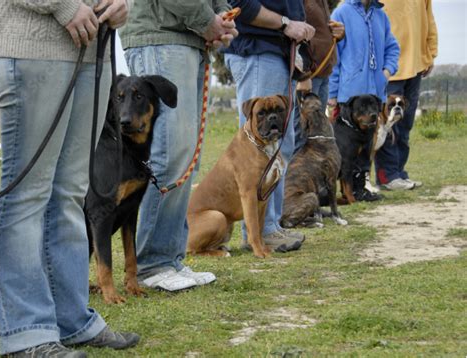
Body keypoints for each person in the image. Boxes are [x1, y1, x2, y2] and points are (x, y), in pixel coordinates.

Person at [0, 0, 141, 357]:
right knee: (27, 197)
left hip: (94, 55)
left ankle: (71, 320)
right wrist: (62, 6)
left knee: (71, 195)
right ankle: (27, 331)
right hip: (34, 50)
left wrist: (124, 5)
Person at [119, 1, 238, 292]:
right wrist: (206, 19)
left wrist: (222, 15)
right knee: (168, 154)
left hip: (189, 38)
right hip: (161, 35)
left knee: (185, 156)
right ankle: (151, 263)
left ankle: (169, 258)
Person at [223, 0, 315, 253]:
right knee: (258, 150)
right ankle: (260, 232)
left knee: (279, 147)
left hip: (276, 52)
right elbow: (240, 3)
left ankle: (270, 225)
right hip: (258, 50)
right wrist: (286, 24)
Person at [328, 0, 400, 201]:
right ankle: (343, 192)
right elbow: (334, 56)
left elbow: (392, 47)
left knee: (367, 148)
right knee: (347, 150)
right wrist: (332, 94)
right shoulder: (341, 12)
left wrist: (386, 72)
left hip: (375, 94)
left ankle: (360, 188)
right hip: (349, 98)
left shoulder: (380, 15)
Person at [375, 0, 438, 190]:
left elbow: (429, 19)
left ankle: (400, 172)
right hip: (389, 67)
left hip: (416, 63)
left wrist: (431, 52)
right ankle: (387, 176)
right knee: (389, 126)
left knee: (406, 124)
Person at [294, 0, 345, 154]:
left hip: (323, 73)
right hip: (309, 74)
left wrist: (338, 33)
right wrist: (303, 73)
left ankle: (309, 176)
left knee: (315, 132)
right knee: (301, 133)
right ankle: (294, 177)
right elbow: (293, 34)